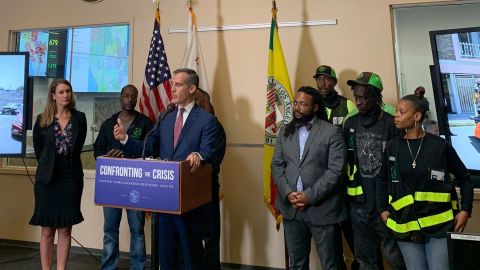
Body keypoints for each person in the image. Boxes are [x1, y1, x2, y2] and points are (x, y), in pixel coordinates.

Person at [114, 68, 217, 270]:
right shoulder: (166, 116)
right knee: (167, 257)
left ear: (192, 88)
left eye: (178, 85)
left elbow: (209, 151)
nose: (172, 89)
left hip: (189, 204)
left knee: (190, 257)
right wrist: (125, 139)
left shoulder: (206, 120)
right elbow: (147, 148)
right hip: (164, 202)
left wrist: (198, 155)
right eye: (172, 84)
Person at [377, 94, 473, 270]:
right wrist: (382, 209)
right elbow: (382, 180)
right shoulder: (393, 146)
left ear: (417, 116)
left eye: (401, 111)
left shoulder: (439, 146)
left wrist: (465, 210)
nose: (396, 115)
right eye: (396, 111)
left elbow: (464, 178)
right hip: (405, 225)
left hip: (439, 225)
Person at [271, 86, 347, 270]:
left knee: (331, 264)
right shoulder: (285, 131)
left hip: (322, 208)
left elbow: (335, 171)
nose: (297, 108)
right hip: (291, 209)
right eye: (295, 103)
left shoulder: (332, 132)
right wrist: (288, 193)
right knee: (297, 264)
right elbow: (277, 165)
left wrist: (310, 195)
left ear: (314, 107)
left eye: (303, 104)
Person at [343, 72, 406, 270]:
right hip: (360, 206)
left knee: (395, 258)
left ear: (377, 97)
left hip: (387, 205)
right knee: (365, 259)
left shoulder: (391, 124)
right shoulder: (350, 124)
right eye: (356, 98)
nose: (359, 102)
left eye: (363, 97)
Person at [93, 85, 153, 270]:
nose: (129, 99)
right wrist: (107, 156)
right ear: (120, 97)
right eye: (126, 95)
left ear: (137, 99)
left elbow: (150, 149)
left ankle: (138, 267)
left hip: (135, 184)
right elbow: (97, 151)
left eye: (133, 96)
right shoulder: (108, 123)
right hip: (111, 185)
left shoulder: (145, 123)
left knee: (137, 231)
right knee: (110, 230)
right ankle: (108, 266)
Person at [29, 79, 87, 270]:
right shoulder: (42, 120)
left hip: (70, 178)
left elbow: (77, 148)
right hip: (47, 180)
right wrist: (48, 166)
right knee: (47, 229)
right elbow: (40, 151)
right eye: (61, 92)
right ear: (53, 96)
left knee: (65, 228)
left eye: (68, 91)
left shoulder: (80, 118)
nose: (66, 95)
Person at [313, 64, 358, 270]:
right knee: (329, 238)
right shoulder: (312, 106)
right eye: (319, 79)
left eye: (326, 79)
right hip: (320, 177)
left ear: (334, 82)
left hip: (344, 177)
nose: (322, 83)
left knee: (350, 228)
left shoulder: (347, 105)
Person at [194, 89, 227, 270]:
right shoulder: (187, 126)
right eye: (196, 101)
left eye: (202, 101)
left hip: (207, 187)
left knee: (211, 235)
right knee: (191, 235)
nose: (199, 104)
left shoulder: (215, 127)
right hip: (187, 189)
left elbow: (215, 158)